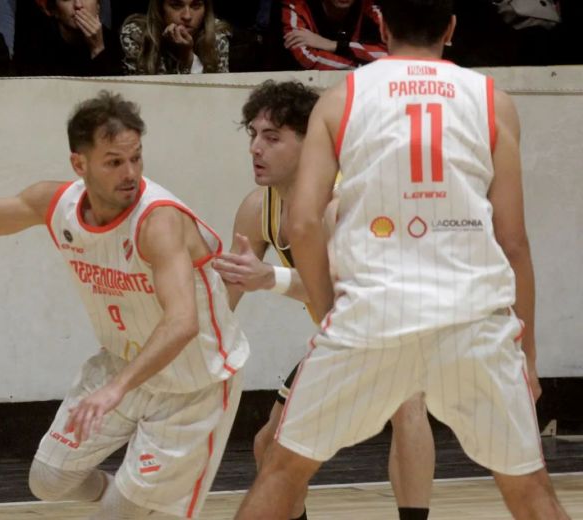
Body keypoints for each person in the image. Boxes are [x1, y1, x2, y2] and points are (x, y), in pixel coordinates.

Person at [236, 0, 569, 518]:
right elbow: (514, 241)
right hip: (473, 318)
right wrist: (527, 354)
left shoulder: (340, 99)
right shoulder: (493, 101)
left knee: (281, 471)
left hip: (373, 314)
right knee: (529, 491)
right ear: (452, 28)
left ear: (384, 27)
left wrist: (328, 311)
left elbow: (302, 224)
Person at [0, 91, 248, 519]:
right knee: (50, 480)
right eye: (114, 162)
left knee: (117, 514)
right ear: (80, 164)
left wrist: (116, 389)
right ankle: (136, 503)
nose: (130, 173)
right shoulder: (55, 204)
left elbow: (182, 322)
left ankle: (136, 506)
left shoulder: (158, 222)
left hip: (193, 383)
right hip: (123, 364)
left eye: (136, 158)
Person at [213, 80, 434, 520]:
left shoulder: (346, 201)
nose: (256, 148)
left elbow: (340, 289)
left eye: (272, 138)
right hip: (341, 335)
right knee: (267, 444)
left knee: (407, 404)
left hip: (391, 320)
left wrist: (271, 278)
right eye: (252, 135)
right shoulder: (259, 210)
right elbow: (223, 304)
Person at [15, 0, 123, 76]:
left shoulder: (114, 42)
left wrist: (98, 49)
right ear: (53, 10)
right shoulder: (36, 46)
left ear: (98, 5)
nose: (78, 5)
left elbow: (111, 97)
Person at [121, 0, 230, 75]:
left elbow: (216, 96)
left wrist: (188, 57)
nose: (187, 16)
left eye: (196, 5)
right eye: (176, 5)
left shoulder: (216, 36)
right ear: (160, 8)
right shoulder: (136, 35)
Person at [281, 0, 386, 70]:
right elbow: (306, 58)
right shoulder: (296, 5)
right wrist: (362, 66)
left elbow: (394, 50)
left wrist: (333, 45)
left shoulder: (371, 5)